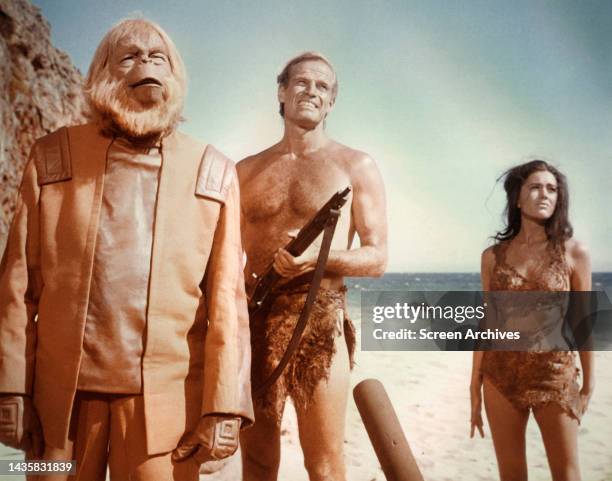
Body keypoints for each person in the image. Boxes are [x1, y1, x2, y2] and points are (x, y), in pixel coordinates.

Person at [0, 18, 253, 481]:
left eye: (159, 57)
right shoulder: (52, 155)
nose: (146, 64)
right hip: (58, 407)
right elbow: (18, 287)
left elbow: (228, 305)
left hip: (166, 409)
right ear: (103, 75)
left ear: (176, 77)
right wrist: (10, 389)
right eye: (130, 56)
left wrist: (225, 406)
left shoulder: (213, 170)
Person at [237, 52, 388, 481]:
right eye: (301, 83)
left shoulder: (355, 166)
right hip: (255, 320)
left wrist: (315, 262)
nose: (311, 91)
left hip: (319, 318)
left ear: (332, 102)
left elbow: (377, 257)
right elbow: (223, 256)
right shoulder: (245, 171)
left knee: (323, 463)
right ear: (282, 92)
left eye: (323, 87)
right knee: (259, 462)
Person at [471, 160, 594, 481]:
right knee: (511, 475)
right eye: (535, 187)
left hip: (554, 377)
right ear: (517, 198)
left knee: (567, 474)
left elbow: (584, 321)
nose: (545, 195)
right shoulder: (492, 256)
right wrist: (474, 384)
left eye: (552, 189)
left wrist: (589, 384)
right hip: (499, 378)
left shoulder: (573, 251)